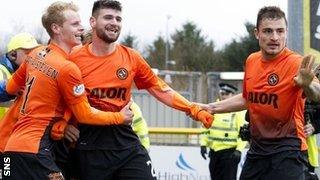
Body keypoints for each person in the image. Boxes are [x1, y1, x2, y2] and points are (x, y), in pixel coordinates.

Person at [68, 0, 213, 179]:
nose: (114, 22)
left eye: (118, 19)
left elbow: (161, 89)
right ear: (92, 21)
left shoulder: (131, 57)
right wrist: (63, 124)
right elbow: (59, 97)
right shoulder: (74, 58)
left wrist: (191, 108)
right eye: (108, 17)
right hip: (90, 143)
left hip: (125, 141)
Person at [3, 2, 134, 179]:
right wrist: (120, 117)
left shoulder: (35, 54)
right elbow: (85, 115)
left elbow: (11, 87)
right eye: (75, 24)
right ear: (56, 28)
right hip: (36, 150)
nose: (81, 28)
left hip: (10, 148)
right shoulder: (67, 68)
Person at [202, 6, 320, 180]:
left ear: (286, 32)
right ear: (257, 33)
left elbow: (317, 94)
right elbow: (247, 98)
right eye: (268, 31)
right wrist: (212, 107)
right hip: (257, 151)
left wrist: (308, 85)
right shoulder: (252, 60)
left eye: (280, 31)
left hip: (287, 150)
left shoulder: (296, 63)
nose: (274, 37)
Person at [200, 83, 247, 180]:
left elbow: (243, 132)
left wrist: (239, 150)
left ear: (232, 95)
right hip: (214, 152)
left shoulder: (237, 111)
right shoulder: (212, 109)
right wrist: (203, 144)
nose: (224, 95)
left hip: (230, 153)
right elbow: (205, 128)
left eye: (227, 93)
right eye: (222, 93)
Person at [0, 33, 39, 115]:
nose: (33, 56)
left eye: (35, 52)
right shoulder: (1, 70)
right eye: (28, 53)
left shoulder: (29, 73)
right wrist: (10, 88)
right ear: (13, 55)